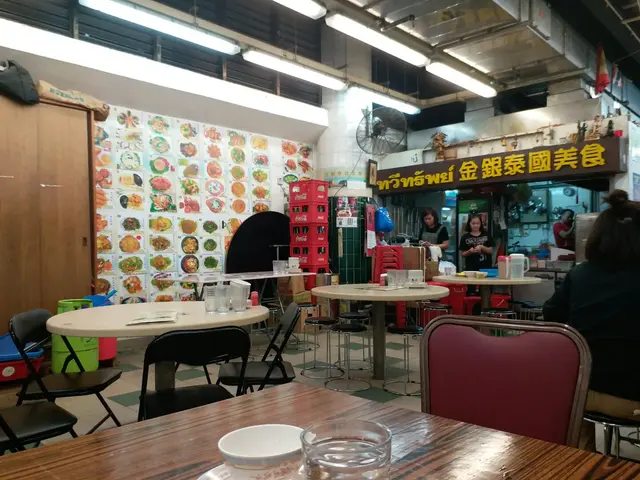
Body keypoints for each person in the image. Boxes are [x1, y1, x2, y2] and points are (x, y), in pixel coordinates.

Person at [543, 190, 640, 450]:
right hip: (634, 397)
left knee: (580, 422)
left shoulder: (580, 275)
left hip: (581, 391)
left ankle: (583, 462)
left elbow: (551, 314)